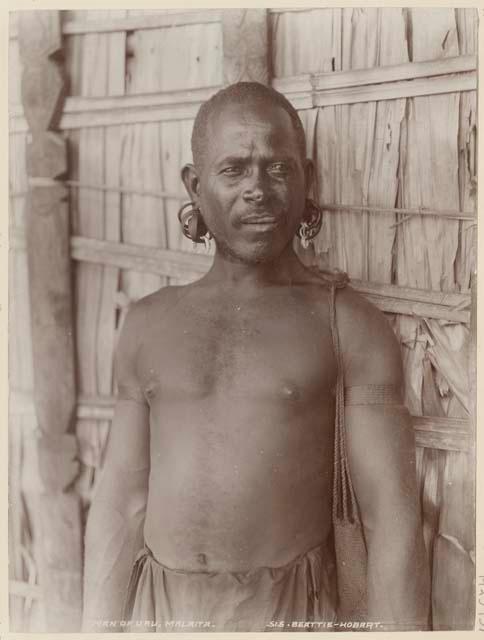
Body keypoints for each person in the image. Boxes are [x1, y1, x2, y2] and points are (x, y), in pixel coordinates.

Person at [82, 82, 430, 633]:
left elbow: (390, 518)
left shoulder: (346, 324)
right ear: (195, 186)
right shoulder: (148, 322)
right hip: (157, 611)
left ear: (306, 177)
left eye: (278, 168)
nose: (258, 189)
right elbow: (120, 500)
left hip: (285, 612)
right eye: (234, 169)